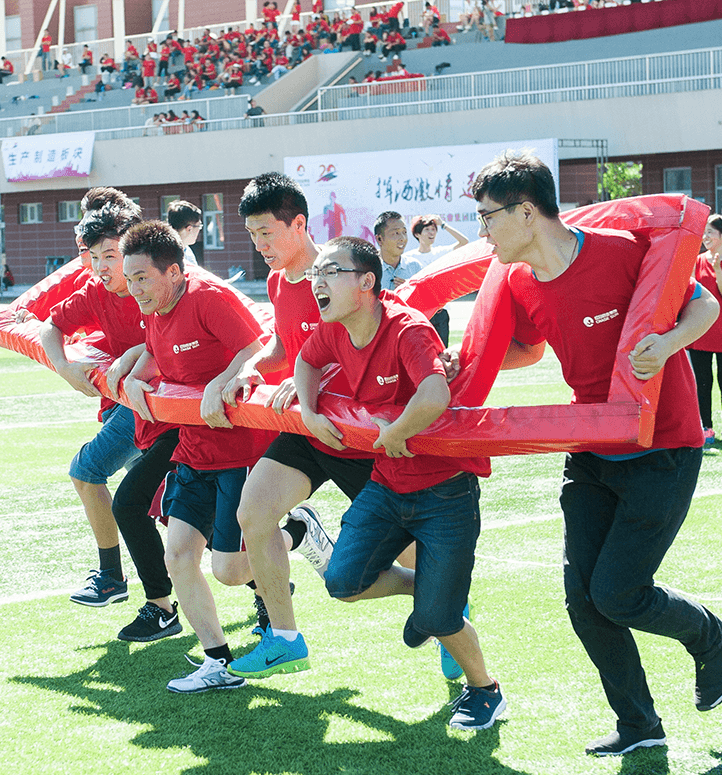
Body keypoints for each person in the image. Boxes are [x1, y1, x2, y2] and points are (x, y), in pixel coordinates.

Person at [472, 150, 722, 756]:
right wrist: (467, 363)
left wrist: (668, 343)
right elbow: (530, 349)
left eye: (488, 217)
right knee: (584, 603)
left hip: (663, 446)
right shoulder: (518, 279)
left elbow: (704, 305)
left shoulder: (620, 251)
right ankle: (639, 725)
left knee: (619, 593)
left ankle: (710, 636)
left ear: (527, 212)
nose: (482, 232)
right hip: (590, 448)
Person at [294, 236, 501, 730]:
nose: (317, 282)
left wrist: (397, 431)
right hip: (387, 486)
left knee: (443, 617)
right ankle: (426, 597)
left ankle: (485, 690)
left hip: (446, 491)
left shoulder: (407, 327)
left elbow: (435, 393)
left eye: (330, 272)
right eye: (316, 274)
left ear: (367, 282)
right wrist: (308, 410)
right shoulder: (334, 328)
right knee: (342, 583)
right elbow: (305, 361)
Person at [216, 174, 385, 681]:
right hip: (307, 431)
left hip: (360, 435)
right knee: (253, 513)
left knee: (412, 554)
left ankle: (451, 621)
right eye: (252, 235)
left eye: (267, 232)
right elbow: (284, 346)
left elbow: (371, 343)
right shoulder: (277, 282)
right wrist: (249, 369)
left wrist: (308, 377)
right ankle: (285, 639)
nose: (259, 244)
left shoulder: (339, 274)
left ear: (299, 224)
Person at [117, 221, 278, 694]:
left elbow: (258, 348)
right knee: (180, 556)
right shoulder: (155, 308)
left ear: (174, 272)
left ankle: (296, 532)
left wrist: (220, 382)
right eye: (130, 279)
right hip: (193, 449)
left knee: (230, 571)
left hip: (241, 451)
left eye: (142, 278)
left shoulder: (208, 298)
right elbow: (155, 352)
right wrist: (136, 376)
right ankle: (218, 662)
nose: (134, 289)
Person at [36, 189, 156, 608]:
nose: (101, 266)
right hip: (132, 405)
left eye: (110, 255)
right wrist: (64, 368)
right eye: (93, 255)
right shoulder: (96, 290)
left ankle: (112, 578)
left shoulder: (159, 283)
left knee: (87, 471)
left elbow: (175, 337)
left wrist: (133, 355)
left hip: (160, 410)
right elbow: (51, 326)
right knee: (171, 512)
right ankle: (265, 574)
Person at [688, 214, 722, 445]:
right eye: (704, 232)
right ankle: (706, 427)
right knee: (702, 382)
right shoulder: (697, 260)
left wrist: (718, 268)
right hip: (700, 330)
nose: (705, 237)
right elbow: (690, 292)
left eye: (710, 232)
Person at [408, 214, 470, 347]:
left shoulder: (441, 252)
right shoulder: (409, 258)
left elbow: (464, 242)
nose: (431, 233)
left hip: (441, 311)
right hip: (420, 313)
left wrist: (443, 225)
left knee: (442, 351)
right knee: (422, 351)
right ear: (417, 234)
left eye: (433, 229)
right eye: (427, 230)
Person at [374, 211, 423, 293]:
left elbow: (427, 298)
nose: (403, 238)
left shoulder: (415, 267)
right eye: (396, 233)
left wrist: (411, 290)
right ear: (379, 239)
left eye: (404, 232)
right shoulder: (369, 269)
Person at [166, 200, 204, 269]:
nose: (199, 230)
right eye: (199, 226)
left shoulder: (187, 250)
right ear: (189, 229)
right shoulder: (167, 255)